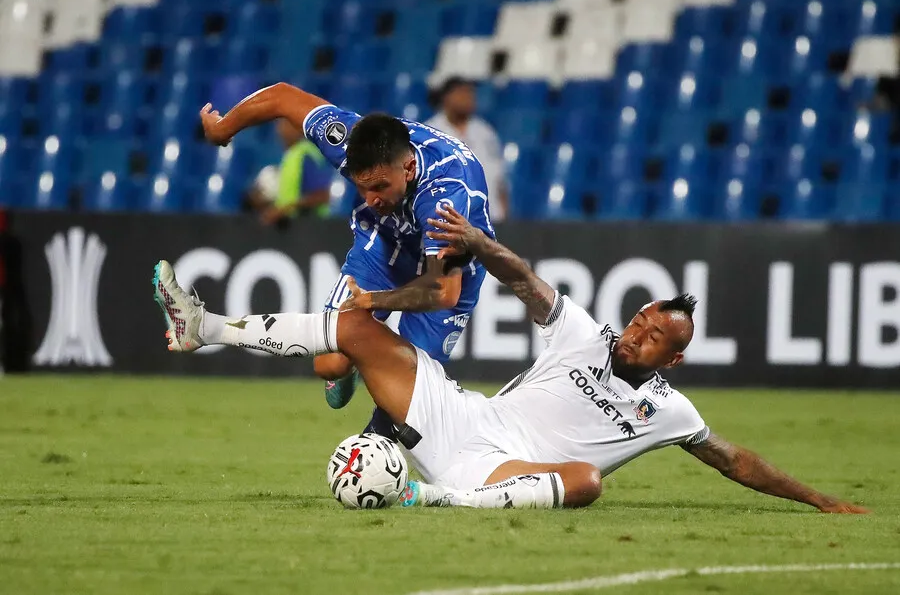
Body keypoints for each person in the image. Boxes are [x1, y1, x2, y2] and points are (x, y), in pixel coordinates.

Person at [151, 205, 868, 513]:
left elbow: (734, 458)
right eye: (645, 315)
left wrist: (822, 500)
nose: (641, 329)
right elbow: (524, 279)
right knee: (359, 324)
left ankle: (423, 499)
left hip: (501, 473)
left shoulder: (668, 411)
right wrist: (480, 240)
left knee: (586, 482)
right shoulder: (581, 330)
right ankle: (204, 325)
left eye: (658, 336)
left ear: (671, 362)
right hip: (461, 420)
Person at [198, 83, 496, 434]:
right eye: (361, 187)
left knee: (409, 398)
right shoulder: (346, 138)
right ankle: (354, 366)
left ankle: (371, 451)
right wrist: (224, 127)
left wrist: (372, 301)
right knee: (328, 365)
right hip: (385, 244)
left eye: (381, 187)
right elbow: (282, 97)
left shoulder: (445, 197)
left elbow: (441, 292)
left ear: (409, 168)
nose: (370, 199)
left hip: (450, 267)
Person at [427, 78, 509, 221]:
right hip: (450, 221)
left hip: (491, 220)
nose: (469, 98)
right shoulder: (430, 133)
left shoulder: (485, 132)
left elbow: (500, 180)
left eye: (471, 93)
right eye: (462, 93)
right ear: (446, 97)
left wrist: (504, 213)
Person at [245, 118, 333, 226]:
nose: (280, 130)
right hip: (293, 230)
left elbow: (323, 195)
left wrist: (286, 209)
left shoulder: (305, 155)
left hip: (311, 228)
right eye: (279, 125)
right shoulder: (290, 155)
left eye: (286, 125)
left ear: (299, 129)